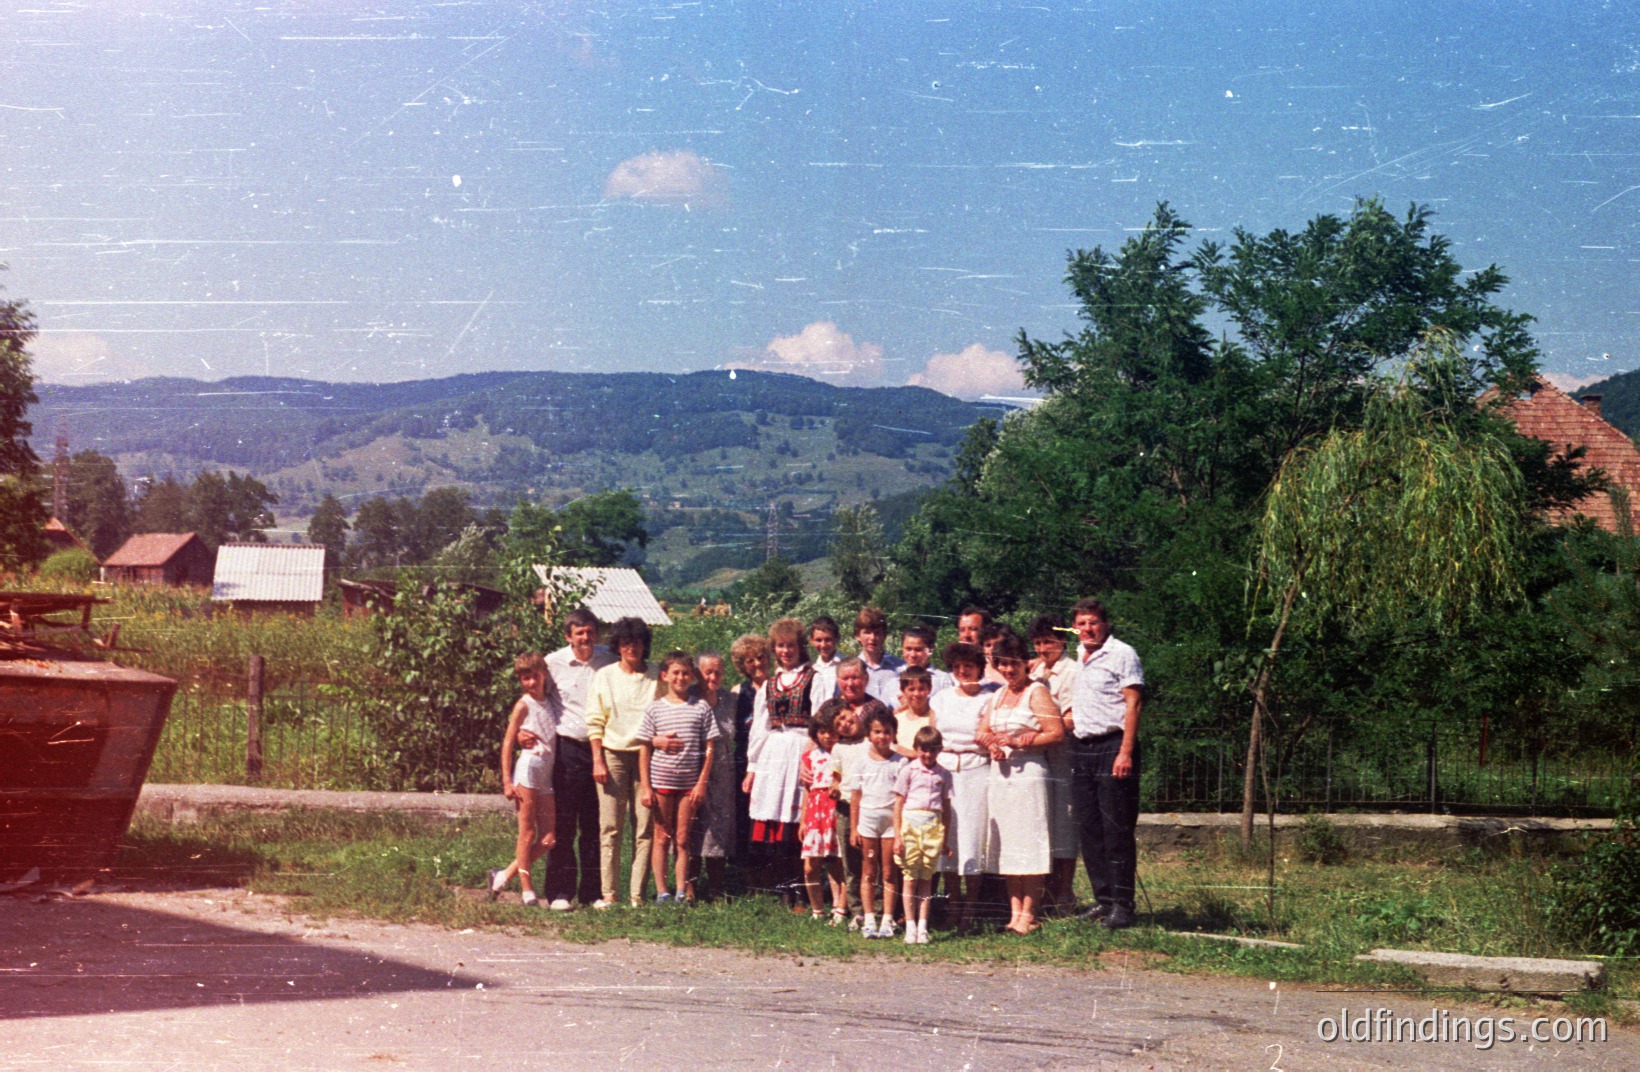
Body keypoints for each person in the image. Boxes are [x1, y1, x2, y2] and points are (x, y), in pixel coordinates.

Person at [978, 633, 1065, 935]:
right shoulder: (997, 696)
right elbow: (982, 730)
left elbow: (1056, 732)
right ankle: (1014, 913)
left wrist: (1023, 741)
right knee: (1009, 846)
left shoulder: (1036, 692)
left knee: (1029, 844)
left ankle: (1030, 912)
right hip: (1002, 778)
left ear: (1024, 663)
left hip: (1029, 776)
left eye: (1013, 664)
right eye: (1002, 664)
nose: (1007, 670)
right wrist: (991, 743)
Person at [1067, 598, 1144, 930]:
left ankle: (1123, 905)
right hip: (1081, 748)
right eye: (1082, 623)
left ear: (1106, 624)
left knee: (1116, 829)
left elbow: (1134, 703)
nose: (1088, 628)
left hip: (1113, 746)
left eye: (1094, 622)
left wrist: (1124, 752)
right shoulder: (1080, 659)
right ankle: (1104, 901)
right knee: (1089, 828)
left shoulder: (1122, 654)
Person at [541, 608, 613, 910]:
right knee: (565, 824)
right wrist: (524, 733)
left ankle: (593, 893)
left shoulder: (609, 658)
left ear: (596, 633)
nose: (585, 637)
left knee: (595, 824)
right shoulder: (552, 663)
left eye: (589, 631)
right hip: (567, 749)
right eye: (579, 632)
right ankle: (560, 892)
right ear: (568, 636)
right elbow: (537, 700)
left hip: (603, 750)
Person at [587, 616, 662, 908]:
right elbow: (595, 720)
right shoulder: (605, 676)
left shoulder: (657, 676)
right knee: (611, 827)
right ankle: (609, 894)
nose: (633, 647)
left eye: (638, 642)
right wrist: (598, 760)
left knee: (644, 828)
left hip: (648, 757)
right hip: (612, 754)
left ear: (645, 645)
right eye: (626, 642)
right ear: (618, 645)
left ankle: (637, 896)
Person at [638, 651, 719, 905]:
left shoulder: (701, 707)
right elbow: (644, 749)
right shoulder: (655, 708)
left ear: (692, 676)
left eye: (685, 673)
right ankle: (663, 891)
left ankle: (682, 892)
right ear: (665, 676)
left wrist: (701, 783)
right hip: (661, 782)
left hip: (688, 786)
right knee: (662, 836)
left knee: (683, 839)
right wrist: (646, 787)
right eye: (675, 673)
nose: (681, 678)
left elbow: (709, 748)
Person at [743, 617, 815, 901]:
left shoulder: (813, 678)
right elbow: (760, 729)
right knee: (774, 825)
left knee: (798, 822)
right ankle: (779, 887)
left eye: (791, 646)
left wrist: (810, 761)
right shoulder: (769, 685)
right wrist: (752, 768)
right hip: (773, 754)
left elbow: (819, 722)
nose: (786, 651)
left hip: (801, 749)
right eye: (781, 646)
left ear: (800, 647)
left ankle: (799, 891)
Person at [929, 641, 995, 933]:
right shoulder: (941, 698)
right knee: (949, 842)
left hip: (975, 770)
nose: (962, 671)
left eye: (968, 665)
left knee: (972, 840)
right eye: (957, 666)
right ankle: (952, 908)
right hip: (945, 771)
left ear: (979, 667)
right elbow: (931, 735)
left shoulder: (989, 697)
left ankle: (970, 910)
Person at [820, 657, 891, 927]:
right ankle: (857, 909)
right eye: (845, 678)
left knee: (876, 860)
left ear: (865, 679)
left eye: (855, 677)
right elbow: (835, 772)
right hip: (847, 806)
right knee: (851, 861)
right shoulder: (838, 738)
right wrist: (834, 786)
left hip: (874, 804)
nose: (851, 683)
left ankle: (884, 909)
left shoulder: (875, 718)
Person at [488, 652, 560, 905]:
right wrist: (506, 781)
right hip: (528, 770)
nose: (531, 683)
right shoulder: (523, 704)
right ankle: (527, 889)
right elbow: (507, 743)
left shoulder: (550, 700)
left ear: (543, 674)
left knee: (549, 838)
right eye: (525, 679)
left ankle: (503, 875)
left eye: (535, 676)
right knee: (527, 833)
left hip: (546, 774)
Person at [1028, 613, 1080, 914]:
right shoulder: (1034, 672)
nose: (1043, 649)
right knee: (1042, 826)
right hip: (1038, 759)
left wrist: (1043, 733)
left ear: (1062, 640)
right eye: (1037, 643)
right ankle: (1044, 894)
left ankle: (1064, 894)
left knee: (1064, 828)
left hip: (1063, 758)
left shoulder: (1072, 672)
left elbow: (1072, 717)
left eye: (1048, 642)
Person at [894, 725, 955, 945]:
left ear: (939, 750)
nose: (927, 755)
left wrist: (945, 838)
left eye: (932, 750)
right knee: (910, 876)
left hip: (932, 827)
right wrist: (898, 837)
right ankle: (910, 926)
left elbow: (946, 809)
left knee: (926, 879)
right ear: (916, 749)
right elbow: (899, 803)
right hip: (911, 824)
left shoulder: (944, 774)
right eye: (923, 750)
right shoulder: (909, 770)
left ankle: (923, 927)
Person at [848, 707, 905, 939]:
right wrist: (854, 828)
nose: (882, 736)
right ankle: (869, 919)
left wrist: (900, 831)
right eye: (877, 732)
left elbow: (902, 799)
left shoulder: (900, 763)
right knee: (868, 871)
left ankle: (888, 920)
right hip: (868, 822)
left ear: (893, 734)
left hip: (891, 823)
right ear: (869, 734)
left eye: (886, 732)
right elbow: (855, 797)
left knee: (890, 872)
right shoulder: (862, 763)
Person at [691, 650, 737, 901]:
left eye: (718, 672)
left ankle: (717, 890)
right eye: (708, 671)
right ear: (697, 673)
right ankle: (689, 888)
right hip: (693, 769)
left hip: (723, 772)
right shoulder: (688, 699)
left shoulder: (729, 700)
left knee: (718, 828)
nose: (713, 676)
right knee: (693, 826)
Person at [798, 710, 846, 923]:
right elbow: (807, 790)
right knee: (810, 865)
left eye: (832, 731)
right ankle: (817, 910)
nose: (827, 736)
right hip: (815, 812)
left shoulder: (844, 753)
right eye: (823, 731)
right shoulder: (809, 756)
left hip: (836, 808)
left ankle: (840, 909)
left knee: (838, 862)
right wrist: (803, 819)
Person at [728, 633, 771, 869]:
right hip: (744, 761)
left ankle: (770, 866)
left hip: (773, 761)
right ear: (742, 666)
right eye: (749, 660)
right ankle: (746, 869)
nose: (757, 663)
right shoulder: (738, 692)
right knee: (745, 815)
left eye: (760, 657)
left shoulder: (779, 685)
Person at [879, 624, 953, 708]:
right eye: (908, 649)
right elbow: (882, 714)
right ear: (902, 649)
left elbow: (948, 712)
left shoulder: (942, 680)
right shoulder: (893, 677)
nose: (912, 655)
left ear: (930, 650)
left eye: (918, 650)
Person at [853, 606, 905, 704]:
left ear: (884, 635)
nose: (872, 638)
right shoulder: (853, 669)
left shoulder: (901, 668)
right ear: (857, 636)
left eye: (877, 633)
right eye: (867, 632)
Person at [891, 666, 935, 757]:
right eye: (911, 689)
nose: (916, 694)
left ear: (929, 689)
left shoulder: (934, 718)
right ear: (903, 691)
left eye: (921, 689)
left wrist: (910, 753)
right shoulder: (896, 719)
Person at [807, 615, 843, 710]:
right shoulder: (812, 670)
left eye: (828, 640)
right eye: (818, 640)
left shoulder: (844, 665)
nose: (823, 645)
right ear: (812, 641)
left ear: (837, 638)